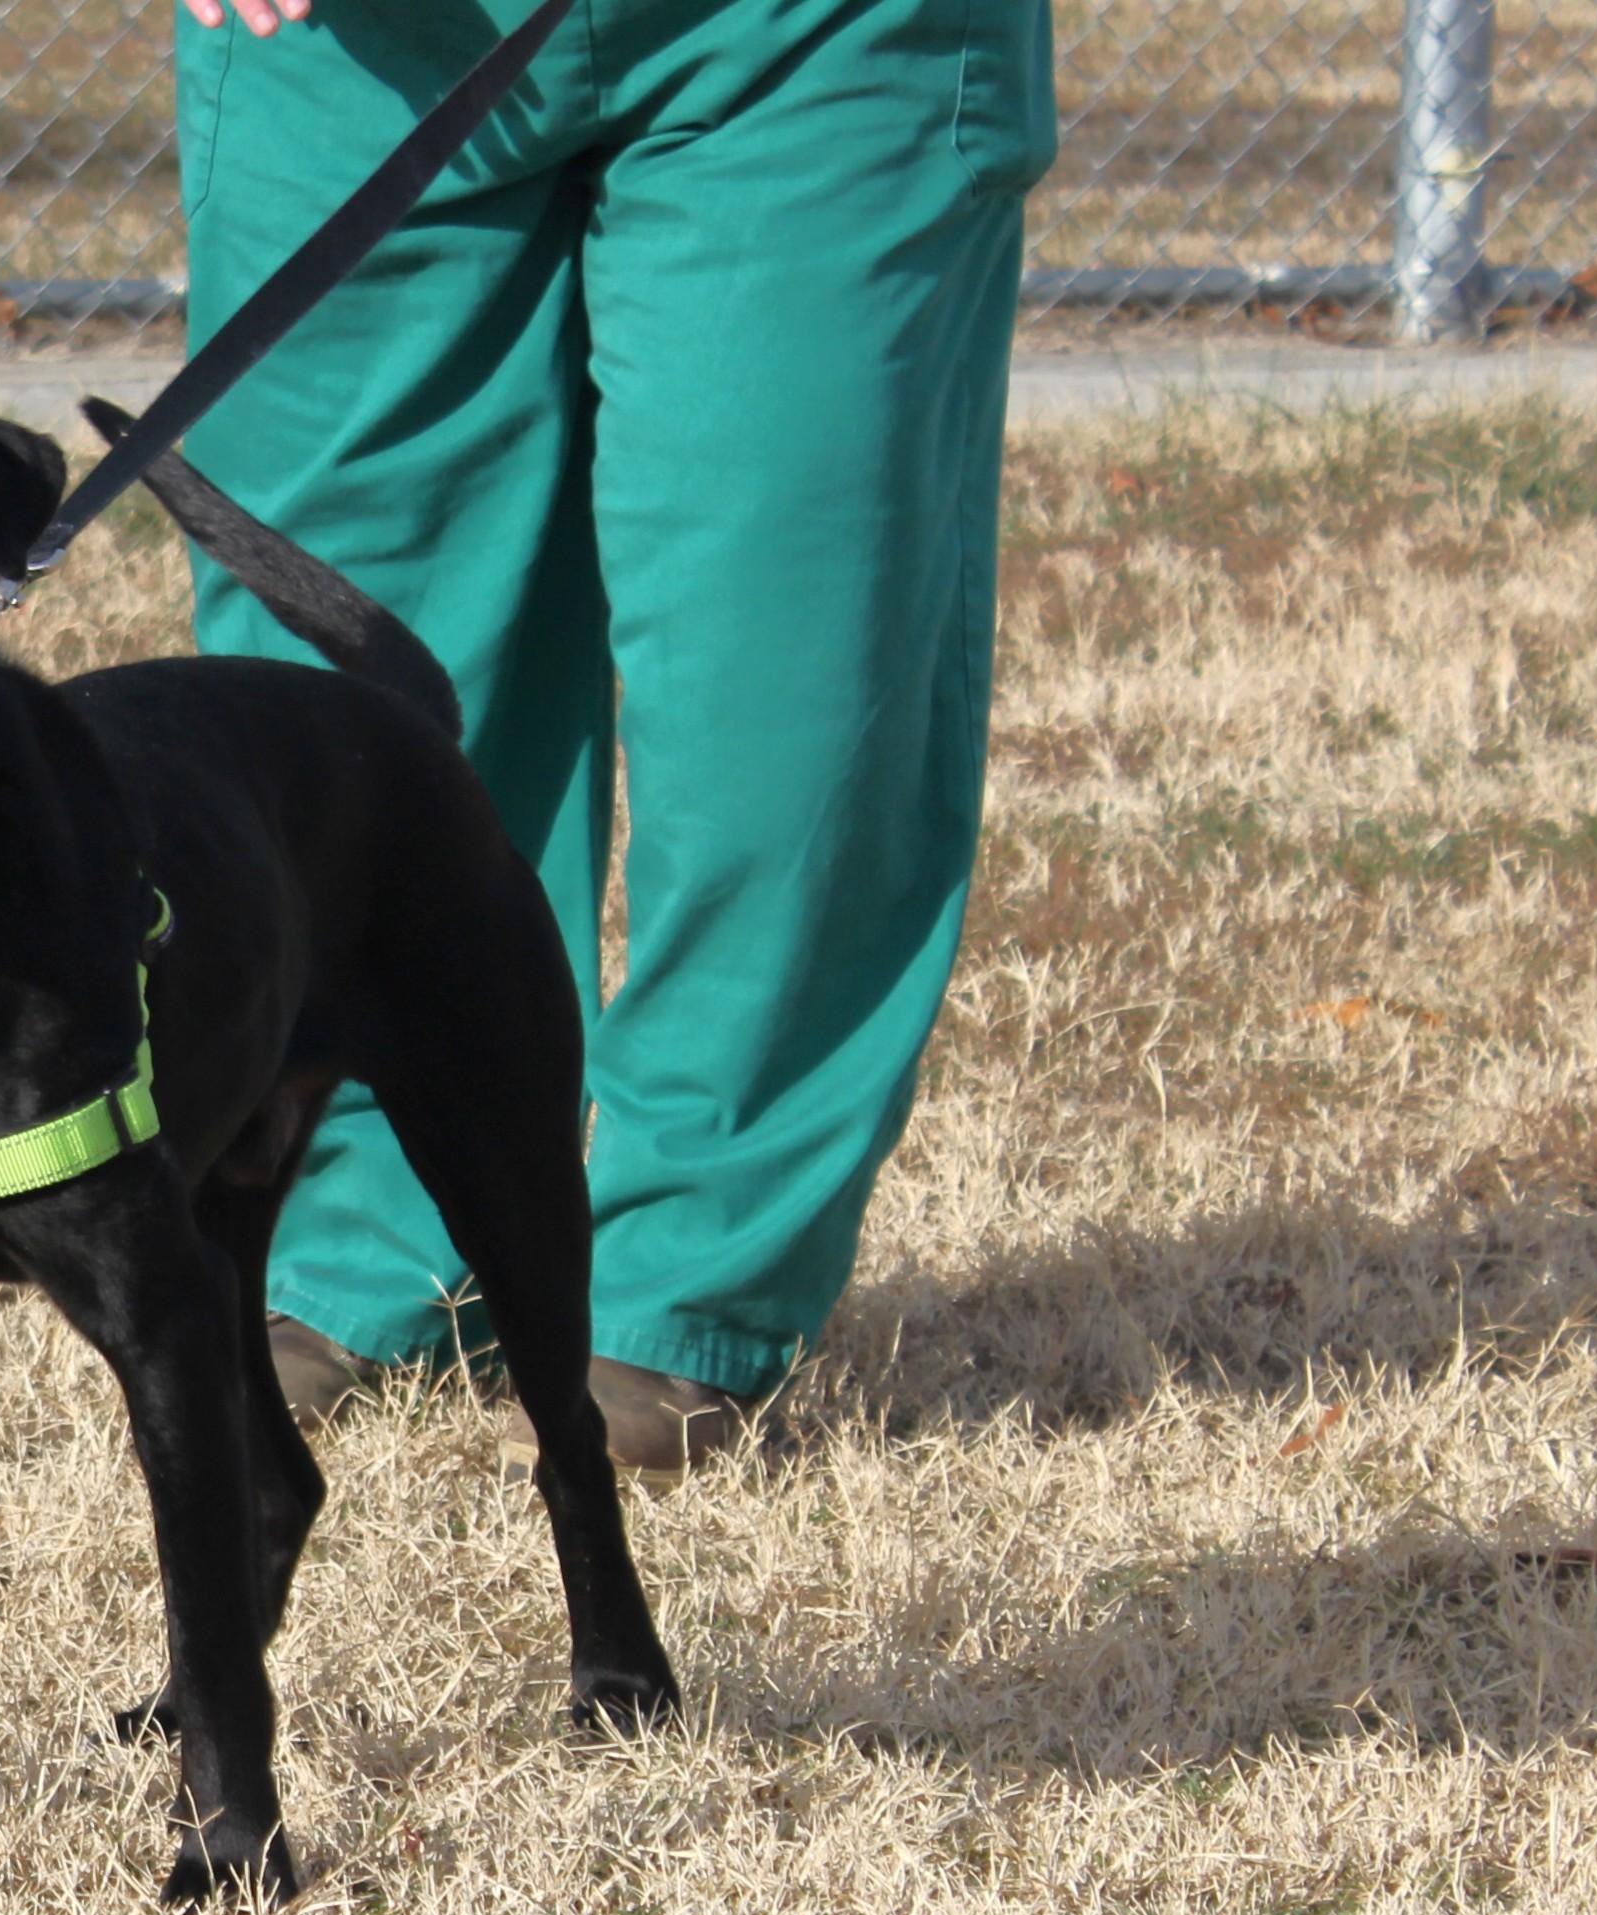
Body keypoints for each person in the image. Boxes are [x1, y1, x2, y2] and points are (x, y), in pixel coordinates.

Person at [168, 0, 1055, 1470]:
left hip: (807, 39)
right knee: (333, 688)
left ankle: (689, 1291)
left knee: (790, 672)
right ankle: (372, 1244)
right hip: (348, 45)